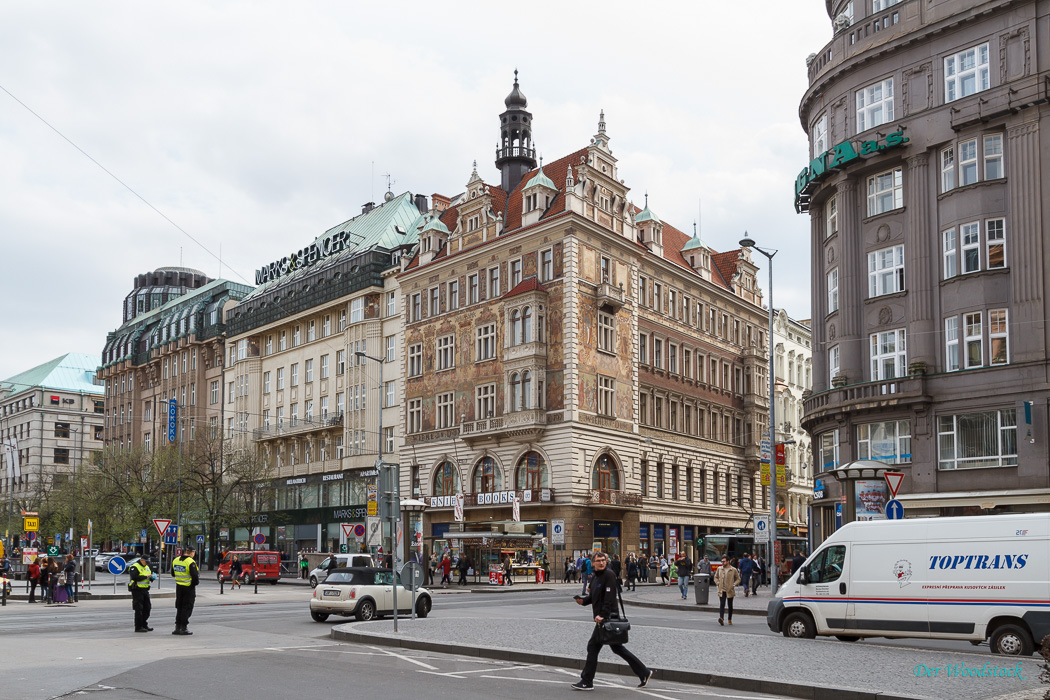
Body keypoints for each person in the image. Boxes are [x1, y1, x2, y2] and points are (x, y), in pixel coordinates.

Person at [571, 551, 653, 691]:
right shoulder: (595, 577)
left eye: (603, 560)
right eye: (599, 560)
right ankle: (643, 672)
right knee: (617, 648)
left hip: (607, 619)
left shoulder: (609, 575)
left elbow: (610, 597)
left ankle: (587, 681)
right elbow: (593, 597)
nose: (602, 562)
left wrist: (602, 615)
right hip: (603, 619)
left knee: (593, 647)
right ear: (593, 563)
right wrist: (582, 601)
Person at [171, 547, 200, 635]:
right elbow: (195, 576)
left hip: (179, 587)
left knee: (179, 607)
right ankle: (183, 627)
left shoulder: (175, 560)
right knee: (187, 607)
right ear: (192, 553)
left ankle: (177, 627)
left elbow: (172, 573)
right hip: (188, 587)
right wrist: (194, 584)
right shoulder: (191, 562)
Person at [128, 554, 157, 632]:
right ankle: (138, 626)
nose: (147, 564)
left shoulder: (146, 567)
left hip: (145, 590)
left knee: (147, 608)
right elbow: (134, 577)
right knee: (139, 609)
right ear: (142, 560)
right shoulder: (135, 566)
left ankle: (144, 624)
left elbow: (148, 577)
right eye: (146, 562)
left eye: (148, 562)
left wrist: (152, 578)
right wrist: (146, 576)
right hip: (137, 590)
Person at [715, 555, 741, 626]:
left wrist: (734, 584)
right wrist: (717, 583)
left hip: (730, 590)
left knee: (730, 605)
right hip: (721, 589)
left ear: (728, 561)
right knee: (722, 604)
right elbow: (715, 577)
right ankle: (721, 618)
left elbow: (738, 578)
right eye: (722, 561)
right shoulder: (719, 569)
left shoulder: (733, 569)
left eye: (724, 561)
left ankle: (729, 619)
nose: (722, 563)